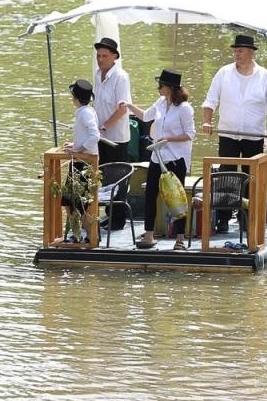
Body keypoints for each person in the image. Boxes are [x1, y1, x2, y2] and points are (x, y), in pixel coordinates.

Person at [200, 32, 267, 229]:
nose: (236, 54)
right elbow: (211, 100)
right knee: (226, 175)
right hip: (228, 133)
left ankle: (247, 216)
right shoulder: (223, 73)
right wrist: (207, 121)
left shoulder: (264, 76)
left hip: (253, 136)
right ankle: (223, 217)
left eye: (240, 51)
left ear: (250, 53)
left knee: (251, 177)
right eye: (235, 51)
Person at [135, 68, 194, 251]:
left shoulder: (184, 108)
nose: (158, 88)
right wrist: (128, 106)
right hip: (157, 156)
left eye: (161, 85)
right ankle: (149, 234)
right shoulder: (160, 103)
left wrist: (168, 139)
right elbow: (145, 116)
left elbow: (190, 134)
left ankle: (180, 238)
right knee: (151, 193)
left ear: (170, 88)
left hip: (176, 158)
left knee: (177, 196)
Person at [58, 78, 100, 243]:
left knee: (81, 205)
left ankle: (91, 237)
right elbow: (86, 136)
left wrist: (79, 149)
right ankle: (77, 235)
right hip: (78, 162)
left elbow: (95, 136)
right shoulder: (85, 111)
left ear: (76, 97)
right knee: (69, 202)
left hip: (84, 164)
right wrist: (75, 145)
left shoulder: (86, 113)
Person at [91, 36, 132, 165]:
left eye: (104, 56)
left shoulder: (121, 77)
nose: (100, 59)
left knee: (115, 178)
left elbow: (123, 109)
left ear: (114, 57)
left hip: (115, 139)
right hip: (99, 136)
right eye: (98, 56)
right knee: (100, 174)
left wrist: (104, 127)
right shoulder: (97, 74)